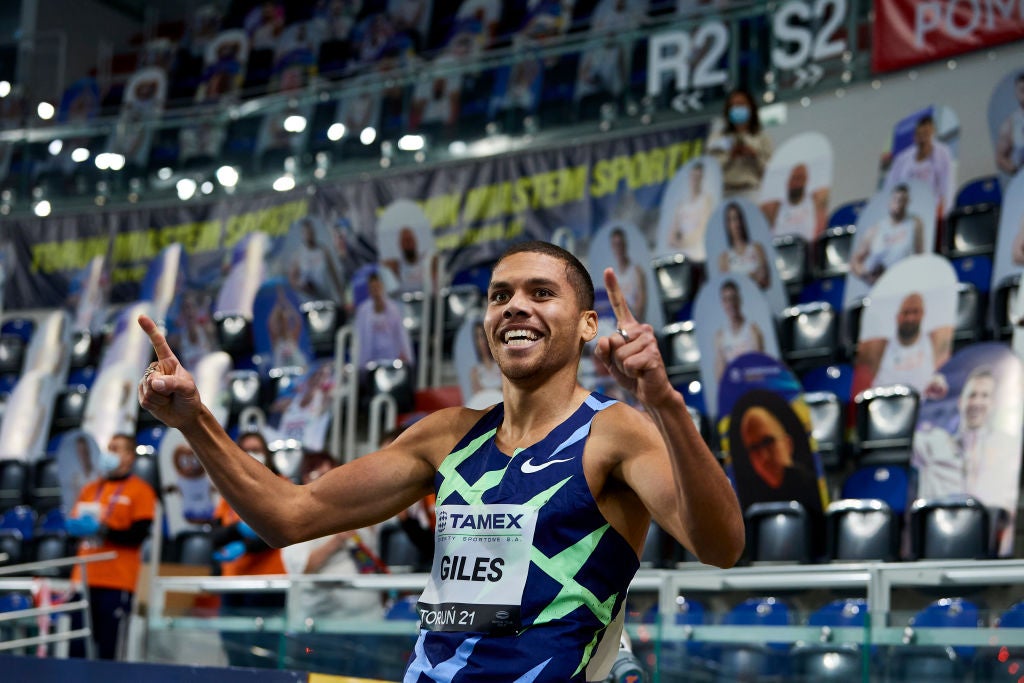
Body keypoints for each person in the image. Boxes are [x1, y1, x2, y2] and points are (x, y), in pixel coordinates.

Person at [136, 240, 743, 683]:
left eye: (541, 293)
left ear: (588, 324)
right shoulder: (448, 437)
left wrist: (663, 402)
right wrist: (195, 420)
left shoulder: (614, 433)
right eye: (499, 295)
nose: (514, 307)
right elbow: (289, 515)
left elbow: (720, 547)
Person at [66, 433, 156, 660]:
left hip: (117, 581)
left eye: (115, 448)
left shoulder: (141, 491)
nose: (109, 453)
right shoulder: (90, 489)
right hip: (84, 579)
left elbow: (138, 535)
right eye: (109, 447)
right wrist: (74, 527)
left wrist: (104, 530)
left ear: (129, 456)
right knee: (76, 649)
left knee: (110, 650)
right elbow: (75, 528)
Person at [913, 366, 1019, 555]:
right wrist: (926, 397)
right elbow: (909, 437)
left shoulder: (1008, 449)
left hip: (988, 551)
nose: (977, 402)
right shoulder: (934, 443)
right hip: (940, 546)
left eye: (984, 396)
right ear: (961, 402)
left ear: (993, 404)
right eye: (972, 395)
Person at [212, 431, 288, 669]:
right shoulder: (229, 488)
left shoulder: (282, 484)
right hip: (233, 584)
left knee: (265, 655)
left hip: (268, 584)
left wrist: (246, 545)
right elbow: (216, 535)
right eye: (245, 450)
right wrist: (238, 529)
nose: (251, 455)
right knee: (234, 654)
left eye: (257, 449)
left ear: (267, 453)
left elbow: (282, 530)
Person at [727, 390, 825, 558]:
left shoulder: (811, 491)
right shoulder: (742, 503)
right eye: (754, 449)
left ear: (788, 443)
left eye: (768, 442)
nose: (764, 457)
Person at [855, 292, 953, 394]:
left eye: (915, 312)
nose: (910, 318)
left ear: (923, 314)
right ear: (898, 316)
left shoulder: (934, 341)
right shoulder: (880, 347)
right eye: (906, 312)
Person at [849, 184, 925, 286]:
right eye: (895, 199)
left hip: (903, 284)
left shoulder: (914, 224)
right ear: (890, 201)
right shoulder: (875, 230)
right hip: (879, 287)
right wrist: (866, 275)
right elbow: (855, 261)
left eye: (902, 200)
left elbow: (920, 257)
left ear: (907, 202)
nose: (898, 204)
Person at [707, 88, 773, 200]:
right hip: (725, 193)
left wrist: (754, 156)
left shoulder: (762, 138)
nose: (737, 108)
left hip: (752, 192)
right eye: (733, 105)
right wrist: (730, 156)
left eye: (741, 104)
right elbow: (710, 169)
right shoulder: (717, 138)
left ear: (751, 107)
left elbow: (770, 170)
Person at [883, 114, 954, 217]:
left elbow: (947, 185)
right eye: (919, 134)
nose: (923, 138)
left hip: (930, 210)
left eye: (926, 134)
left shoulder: (942, 153)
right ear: (915, 136)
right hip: (905, 211)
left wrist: (947, 213)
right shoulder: (902, 159)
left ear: (932, 133)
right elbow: (889, 187)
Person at [353, 270, 414, 369]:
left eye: (377, 287)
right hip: (371, 359)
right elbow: (359, 337)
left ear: (382, 286)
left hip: (391, 357)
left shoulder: (393, 308)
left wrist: (405, 354)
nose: (375, 290)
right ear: (369, 289)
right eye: (372, 288)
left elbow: (401, 333)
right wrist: (360, 362)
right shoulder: (363, 311)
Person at [759, 162, 829, 242]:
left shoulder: (816, 199)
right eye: (794, 178)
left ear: (806, 180)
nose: (796, 183)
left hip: (807, 251)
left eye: (800, 178)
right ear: (788, 180)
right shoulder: (774, 207)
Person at [713, 280, 765, 381]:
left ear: (739, 300)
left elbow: (760, 367)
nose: (730, 303)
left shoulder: (753, 330)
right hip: (735, 388)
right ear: (722, 303)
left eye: (733, 299)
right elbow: (720, 377)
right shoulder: (720, 336)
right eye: (726, 300)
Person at [717, 201, 770, 290]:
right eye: (732, 219)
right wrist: (752, 275)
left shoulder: (757, 248)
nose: (736, 224)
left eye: (738, 218)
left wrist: (739, 278)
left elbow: (764, 280)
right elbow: (728, 288)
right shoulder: (724, 258)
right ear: (728, 225)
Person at [667, 161, 714, 260]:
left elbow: (702, 231)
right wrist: (677, 243)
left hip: (698, 255)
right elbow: (671, 235)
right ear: (689, 178)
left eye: (698, 177)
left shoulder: (705, 201)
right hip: (680, 257)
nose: (695, 180)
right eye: (693, 176)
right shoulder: (681, 205)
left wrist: (682, 243)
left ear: (702, 179)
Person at [609, 228, 647, 323]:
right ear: (612, 247)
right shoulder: (612, 276)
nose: (618, 248)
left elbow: (640, 307)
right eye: (615, 245)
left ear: (625, 245)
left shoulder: (637, 271)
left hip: (635, 323)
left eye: (620, 244)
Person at [383, 227, 431, 293]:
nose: (408, 243)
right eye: (405, 241)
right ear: (400, 245)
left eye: (410, 239)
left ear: (415, 241)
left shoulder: (427, 260)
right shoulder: (395, 266)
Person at [996, 73, 1024, 176]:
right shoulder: (1010, 123)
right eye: (1022, 90)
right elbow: (1000, 158)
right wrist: (1017, 171)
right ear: (1016, 93)